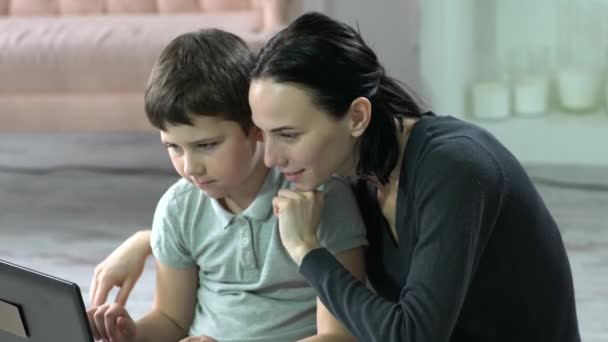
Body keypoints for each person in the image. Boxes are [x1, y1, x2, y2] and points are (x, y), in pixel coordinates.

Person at [246, 12, 581, 342]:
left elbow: (412, 335)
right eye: (263, 134)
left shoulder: (455, 168)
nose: (272, 158)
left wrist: (306, 249)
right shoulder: (354, 177)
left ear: (357, 117)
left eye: (288, 135)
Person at [86, 28, 367, 342]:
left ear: (255, 127)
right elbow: (171, 319)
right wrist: (131, 333)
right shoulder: (179, 208)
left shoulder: (320, 199)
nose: (189, 168)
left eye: (207, 145)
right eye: (174, 147)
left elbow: (340, 336)